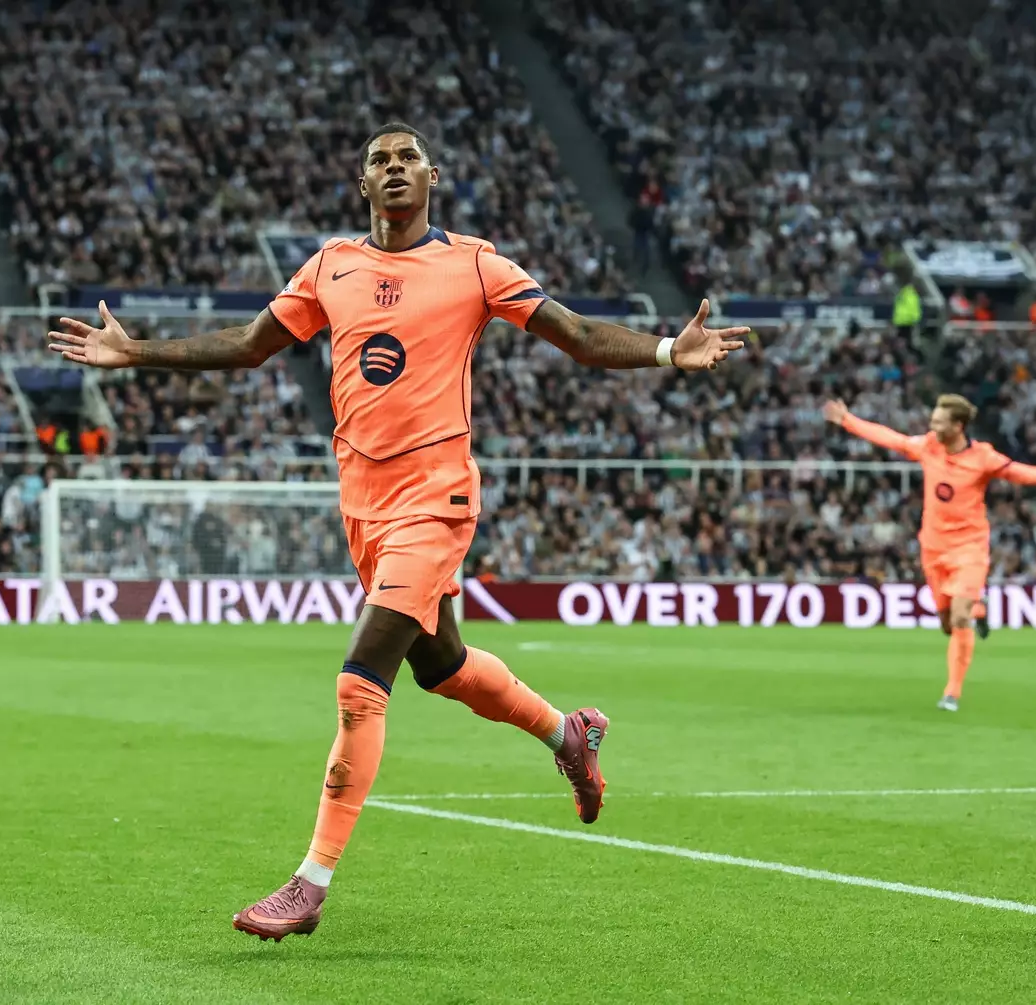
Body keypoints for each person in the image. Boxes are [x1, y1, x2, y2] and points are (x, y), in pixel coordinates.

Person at [49, 122, 749, 940]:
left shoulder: (476, 264)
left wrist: (669, 348)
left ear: (432, 177)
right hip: (364, 504)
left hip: (437, 496)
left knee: (361, 678)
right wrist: (138, 357)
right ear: (362, 183)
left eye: (407, 158)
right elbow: (249, 345)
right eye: (379, 160)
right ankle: (570, 731)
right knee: (441, 664)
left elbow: (582, 337)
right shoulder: (330, 266)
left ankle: (308, 883)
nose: (393, 169)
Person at [824, 394, 1036, 712]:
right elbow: (893, 439)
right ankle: (979, 610)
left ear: (957, 426)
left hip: (969, 548)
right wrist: (848, 421)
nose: (931, 426)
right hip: (933, 548)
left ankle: (952, 692)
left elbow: (1024, 474)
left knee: (958, 616)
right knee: (947, 623)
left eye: (937, 421)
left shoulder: (983, 457)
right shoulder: (929, 446)